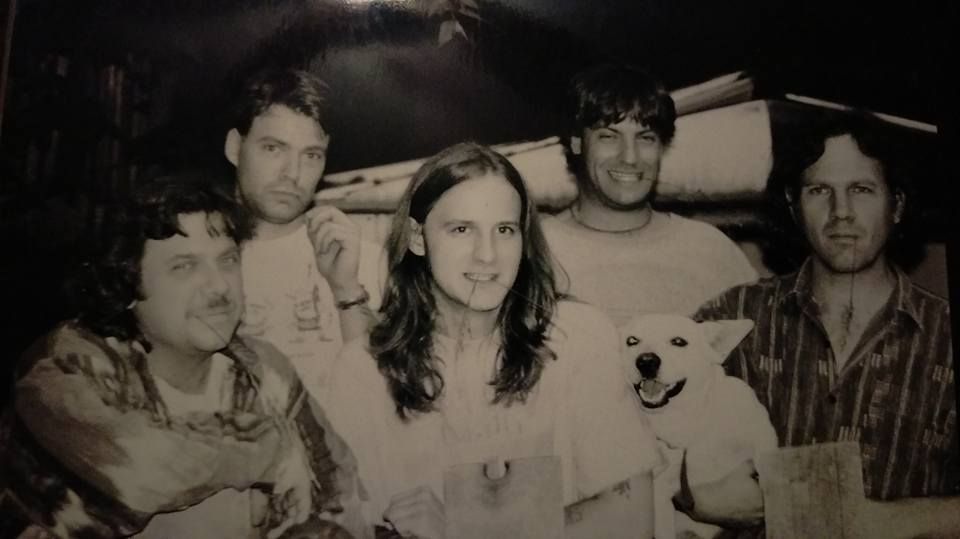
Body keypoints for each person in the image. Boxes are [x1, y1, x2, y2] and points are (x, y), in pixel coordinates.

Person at [323, 142, 662, 538]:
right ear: (417, 237)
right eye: (461, 229)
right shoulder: (363, 372)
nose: (487, 255)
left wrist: (464, 530)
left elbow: (632, 519)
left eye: (504, 230)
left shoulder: (578, 338)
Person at [0, 176, 362, 539]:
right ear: (127, 284)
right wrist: (271, 449)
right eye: (184, 266)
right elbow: (138, 472)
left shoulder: (262, 369)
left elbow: (339, 498)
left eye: (227, 260)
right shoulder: (62, 365)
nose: (219, 286)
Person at [690, 113, 958, 537]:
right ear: (793, 206)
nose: (841, 212)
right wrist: (692, 492)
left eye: (861, 189)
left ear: (897, 205)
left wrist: (876, 519)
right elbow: (652, 457)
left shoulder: (944, 335)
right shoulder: (732, 317)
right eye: (819, 190)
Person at [541, 63, 758, 326]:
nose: (630, 158)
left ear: (662, 147)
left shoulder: (711, 251)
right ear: (576, 142)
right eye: (609, 137)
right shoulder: (539, 249)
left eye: (645, 138)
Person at [224, 68, 385, 405]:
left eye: (311, 156)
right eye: (273, 148)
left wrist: (347, 290)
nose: (293, 174)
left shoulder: (363, 260)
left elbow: (393, 401)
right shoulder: (198, 259)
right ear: (235, 147)